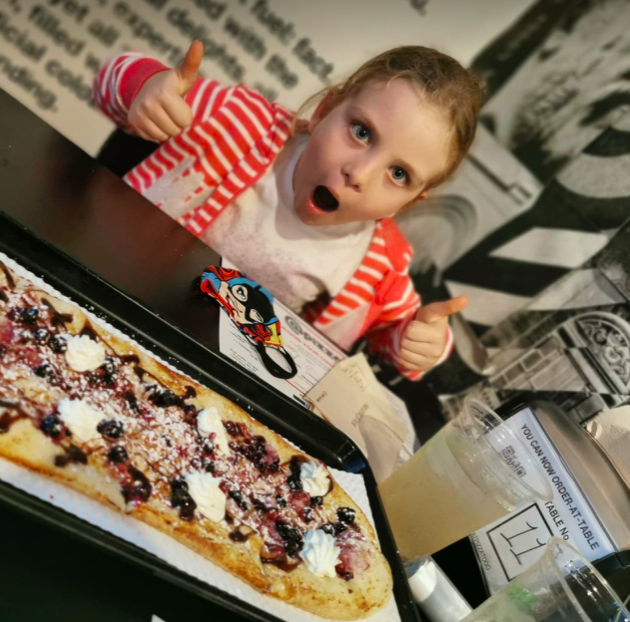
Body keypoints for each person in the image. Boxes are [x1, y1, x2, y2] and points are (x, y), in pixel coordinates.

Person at [93, 41, 483, 380]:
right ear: (324, 110)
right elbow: (111, 80)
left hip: (212, 375)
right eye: (361, 132)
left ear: (409, 204)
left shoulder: (379, 270)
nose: (359, 174)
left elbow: (395, 333)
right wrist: (143, 89)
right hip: (111, 293)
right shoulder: (234, 120)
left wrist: (420, 342)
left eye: (398, 174)